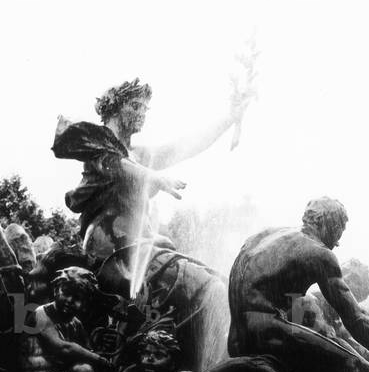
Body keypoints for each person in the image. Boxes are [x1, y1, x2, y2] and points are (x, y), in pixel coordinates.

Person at [51, 78, 252, 261]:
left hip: (140, 238)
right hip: (108, 241)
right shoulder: (96, 143)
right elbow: (116, 164)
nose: (141, 114)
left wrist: (229, 119)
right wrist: (152, 176)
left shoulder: (138, 155)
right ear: (114, 109)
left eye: (145, 109)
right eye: (136, 106)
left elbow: (184, 147)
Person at [228, 197, 369, 372]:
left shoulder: (267, 237)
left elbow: (291, 304)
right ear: (330, 224)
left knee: (323, 348)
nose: (337, 243)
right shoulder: (320, 254)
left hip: (238, 339)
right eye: (339, 233)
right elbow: (355, 318)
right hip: (265, 336)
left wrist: (311, 334)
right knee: (354, 364)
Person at [18, 267, 112, 372]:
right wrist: (98, 358)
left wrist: (98, 356)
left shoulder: (75, 323)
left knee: (86, 371)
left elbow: (86, 350)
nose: (69, 300)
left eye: (77, 298)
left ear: (85, 302)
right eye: (66, 293)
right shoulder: (41, 314)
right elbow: (62, 347)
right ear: (56, 290)